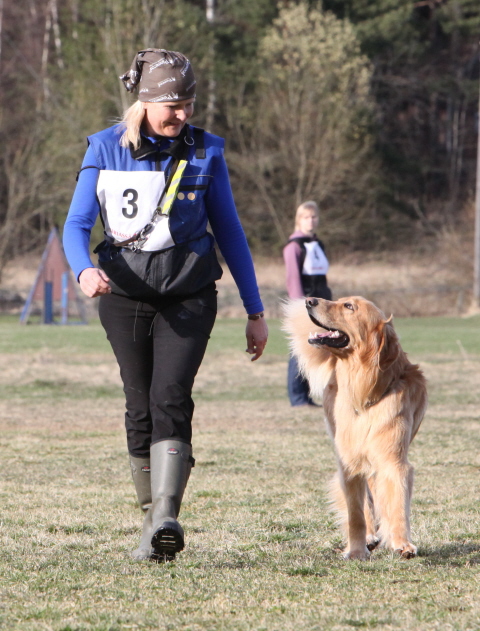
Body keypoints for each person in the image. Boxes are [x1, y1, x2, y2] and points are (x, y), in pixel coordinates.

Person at [63, 48, 268, 563]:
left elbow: (231, 232)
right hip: (124, 295)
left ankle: (167, 518)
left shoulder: (206, 152)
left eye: (188, 103)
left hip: (189, 293)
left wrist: (255, 309)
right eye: (170, 105)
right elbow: (76, 225)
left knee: (170, 396)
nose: (181, 114)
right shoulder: (105, 149)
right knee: (138, 402)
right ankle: (150, 521)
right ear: (144, 101)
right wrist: (83, 269)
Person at [283, 201, 331, 407]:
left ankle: (307, 395)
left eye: (313, 217)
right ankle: (298, 397)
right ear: (298, 220)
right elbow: (293, 279)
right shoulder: (293, 247)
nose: (310, 221)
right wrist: (301, 310)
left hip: (323, 305)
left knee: (317, 348)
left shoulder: (318, 245)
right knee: (300, 350)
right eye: (306, 217)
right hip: (305, 306)